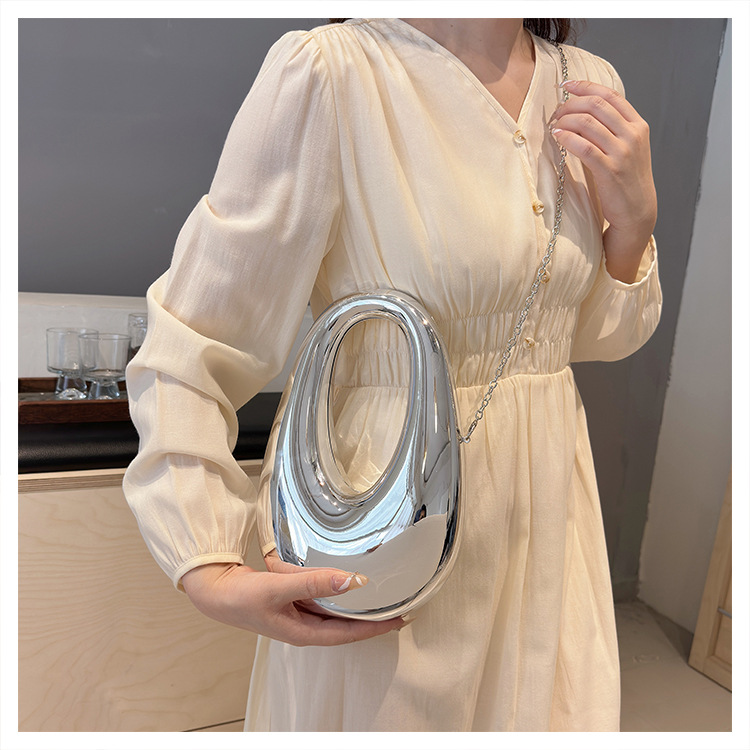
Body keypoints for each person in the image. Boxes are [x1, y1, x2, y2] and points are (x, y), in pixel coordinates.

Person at [123, 18, 662, 731]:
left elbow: (584, 338)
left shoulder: (589, 84)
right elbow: (195, 340)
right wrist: (205, 559)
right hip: (385, 529)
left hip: (551, 527)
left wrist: (634, 225)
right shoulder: (331, 75)